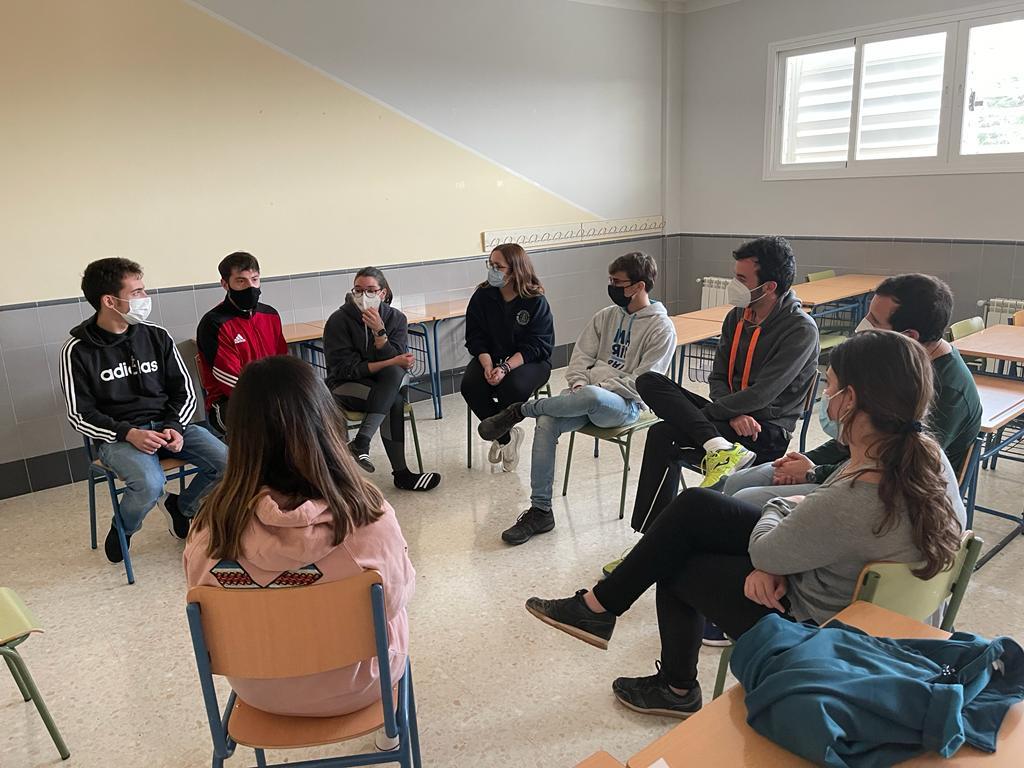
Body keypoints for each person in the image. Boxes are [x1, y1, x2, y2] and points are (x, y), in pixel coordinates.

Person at [524, 330, 966, 719]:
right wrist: (798, 504)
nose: (824, 401)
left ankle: (671, 684)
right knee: (696, 505)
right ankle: (598, 607)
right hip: (871, 601)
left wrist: (782, 515)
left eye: (827, 389)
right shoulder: (923, 454)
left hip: (823, 623)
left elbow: (771, 549)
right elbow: (825, 514)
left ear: (850, 400)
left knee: (676, 563)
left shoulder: (860, 495)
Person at [184, 355, 415, 721]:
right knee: (394, 606)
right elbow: (395, 601)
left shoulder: (209, 527)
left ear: (238, 436)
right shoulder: (369, 516)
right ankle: (390, 735)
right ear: (326, 423)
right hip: (359, 685)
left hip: (258, 688)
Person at [725, 273, 982, 509]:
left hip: (885, 492)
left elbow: (894, 467)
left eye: (875, 322)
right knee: (740, 481)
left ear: (909, 336)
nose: (863, 326)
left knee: (746, 500)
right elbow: (855, 438)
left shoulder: (946, 392)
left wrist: (814, 472)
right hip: (850, 466)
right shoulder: (901, 362)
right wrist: (801, 459)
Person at [478, 252, 676, 545]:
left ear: (639, 286)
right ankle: (541, 510)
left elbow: (644, 383)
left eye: (617, 282)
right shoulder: (605, 316)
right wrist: (580, 382)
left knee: (594, 396)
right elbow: (580, 357)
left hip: (623, 405)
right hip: (582, 396)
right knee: (546, 421)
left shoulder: (661, 328)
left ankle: (520, 410)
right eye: (610, 280)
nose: (611, 287)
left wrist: (595, 388)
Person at [628, 236, 819, 534]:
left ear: (768, 287)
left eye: (741, 279)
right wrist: (730, 413)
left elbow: (764, 393)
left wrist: (723, 411)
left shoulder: (800, 329)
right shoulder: (736, 317)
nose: (734, 283)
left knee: (663, 433)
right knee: (649, 380)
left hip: (765, 431)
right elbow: (717, 377)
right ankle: (718, 446)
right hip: (729, 417)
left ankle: (652, 534)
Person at [59, 258, 227, 563]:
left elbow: (185, 390)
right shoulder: (77, 350)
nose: (144, 298)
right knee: (150, 484)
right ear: (109, 301)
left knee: (231, 464)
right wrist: (129, 433)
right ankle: (124, 527)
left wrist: (174, 425)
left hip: (168, 426)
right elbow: (80, 414)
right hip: (120, 437)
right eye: (136, 292)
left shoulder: (156, 336)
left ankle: (182, 507)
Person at [323, 267, 441, 492]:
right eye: (358, 290)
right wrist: (389, 363)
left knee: (394, 390)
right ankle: (400, 473)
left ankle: (362, 441)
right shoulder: (338, 320)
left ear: (383, 293)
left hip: (382, 386)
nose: (363, 296)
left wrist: (379, 333)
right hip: (344, 387)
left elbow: (396, 361)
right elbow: (346, 370)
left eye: (370, 291)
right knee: (393, 389)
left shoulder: (396, 318)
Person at [461, 244, 554, 471]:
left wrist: (504, 368)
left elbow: (537, 346)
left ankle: (499, 434)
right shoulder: (483, 296)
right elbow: (475, 337)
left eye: (498, 266)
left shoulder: (535, 301)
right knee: (470, 385)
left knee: (511, 387)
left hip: (529, 362)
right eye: (490, 265)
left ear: (515, 270)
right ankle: (505, 438)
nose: (492, 270)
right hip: (491, 358)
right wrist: (487, 364)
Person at [196, 251, 287, 435]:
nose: (250, 286)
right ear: (225, 284)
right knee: (274, 426)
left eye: (254, 279)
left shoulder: (270, 315)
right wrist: (271, 402)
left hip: (271, 397)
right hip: (230, 403)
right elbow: (231, 381)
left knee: (314, 414)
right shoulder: (214, 323)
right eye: (241, 281)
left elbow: (283, 363)